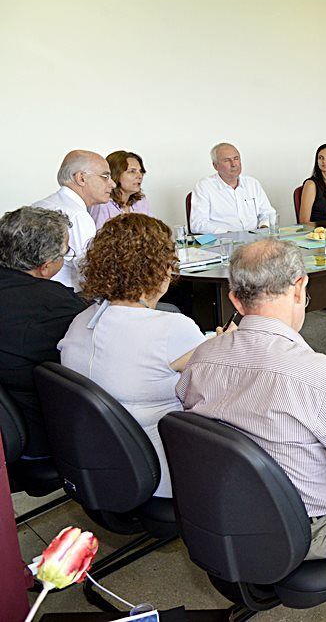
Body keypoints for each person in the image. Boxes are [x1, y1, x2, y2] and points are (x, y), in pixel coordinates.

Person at [177, 239, 326, 559]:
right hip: (308, 531)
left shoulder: (202, 359)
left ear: (236, 300)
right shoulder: (320, 376)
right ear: (299, 288)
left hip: (229, 512)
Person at [58, 214, 221, 499]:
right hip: (162, 472)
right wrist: (226, 345)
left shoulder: (81, 321)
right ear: (159, 270)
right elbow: (219, 380)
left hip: (97, 462)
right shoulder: (173, 329)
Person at [0, 207, 88, 460]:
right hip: (42, 436)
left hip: (9, 431)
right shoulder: (55, 305)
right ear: (45, 267)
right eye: (65, 253)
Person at [33, 150, 114, 290]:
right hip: (64, 302)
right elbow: (91, 274)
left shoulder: (40, 205)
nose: (112, 184)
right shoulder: (77, 216)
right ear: (81, 178)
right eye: (105, 176)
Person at [190, 143, 277, 234]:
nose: (234, 164)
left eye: (236, 158)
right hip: (223, 242)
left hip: (256, 240)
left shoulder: (252, 183)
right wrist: (229, 235)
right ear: (215, 165)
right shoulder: (204, 187)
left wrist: (263, 228)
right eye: (227, 160)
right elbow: (198, 224)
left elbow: (268, 213)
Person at [89, 150, 151, 229]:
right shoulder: (102, 204)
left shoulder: (141, 201)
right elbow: (97, 239)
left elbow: (153, 231)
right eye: (132, 171)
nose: (140, 176)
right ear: (115, 174)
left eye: (141, 171)